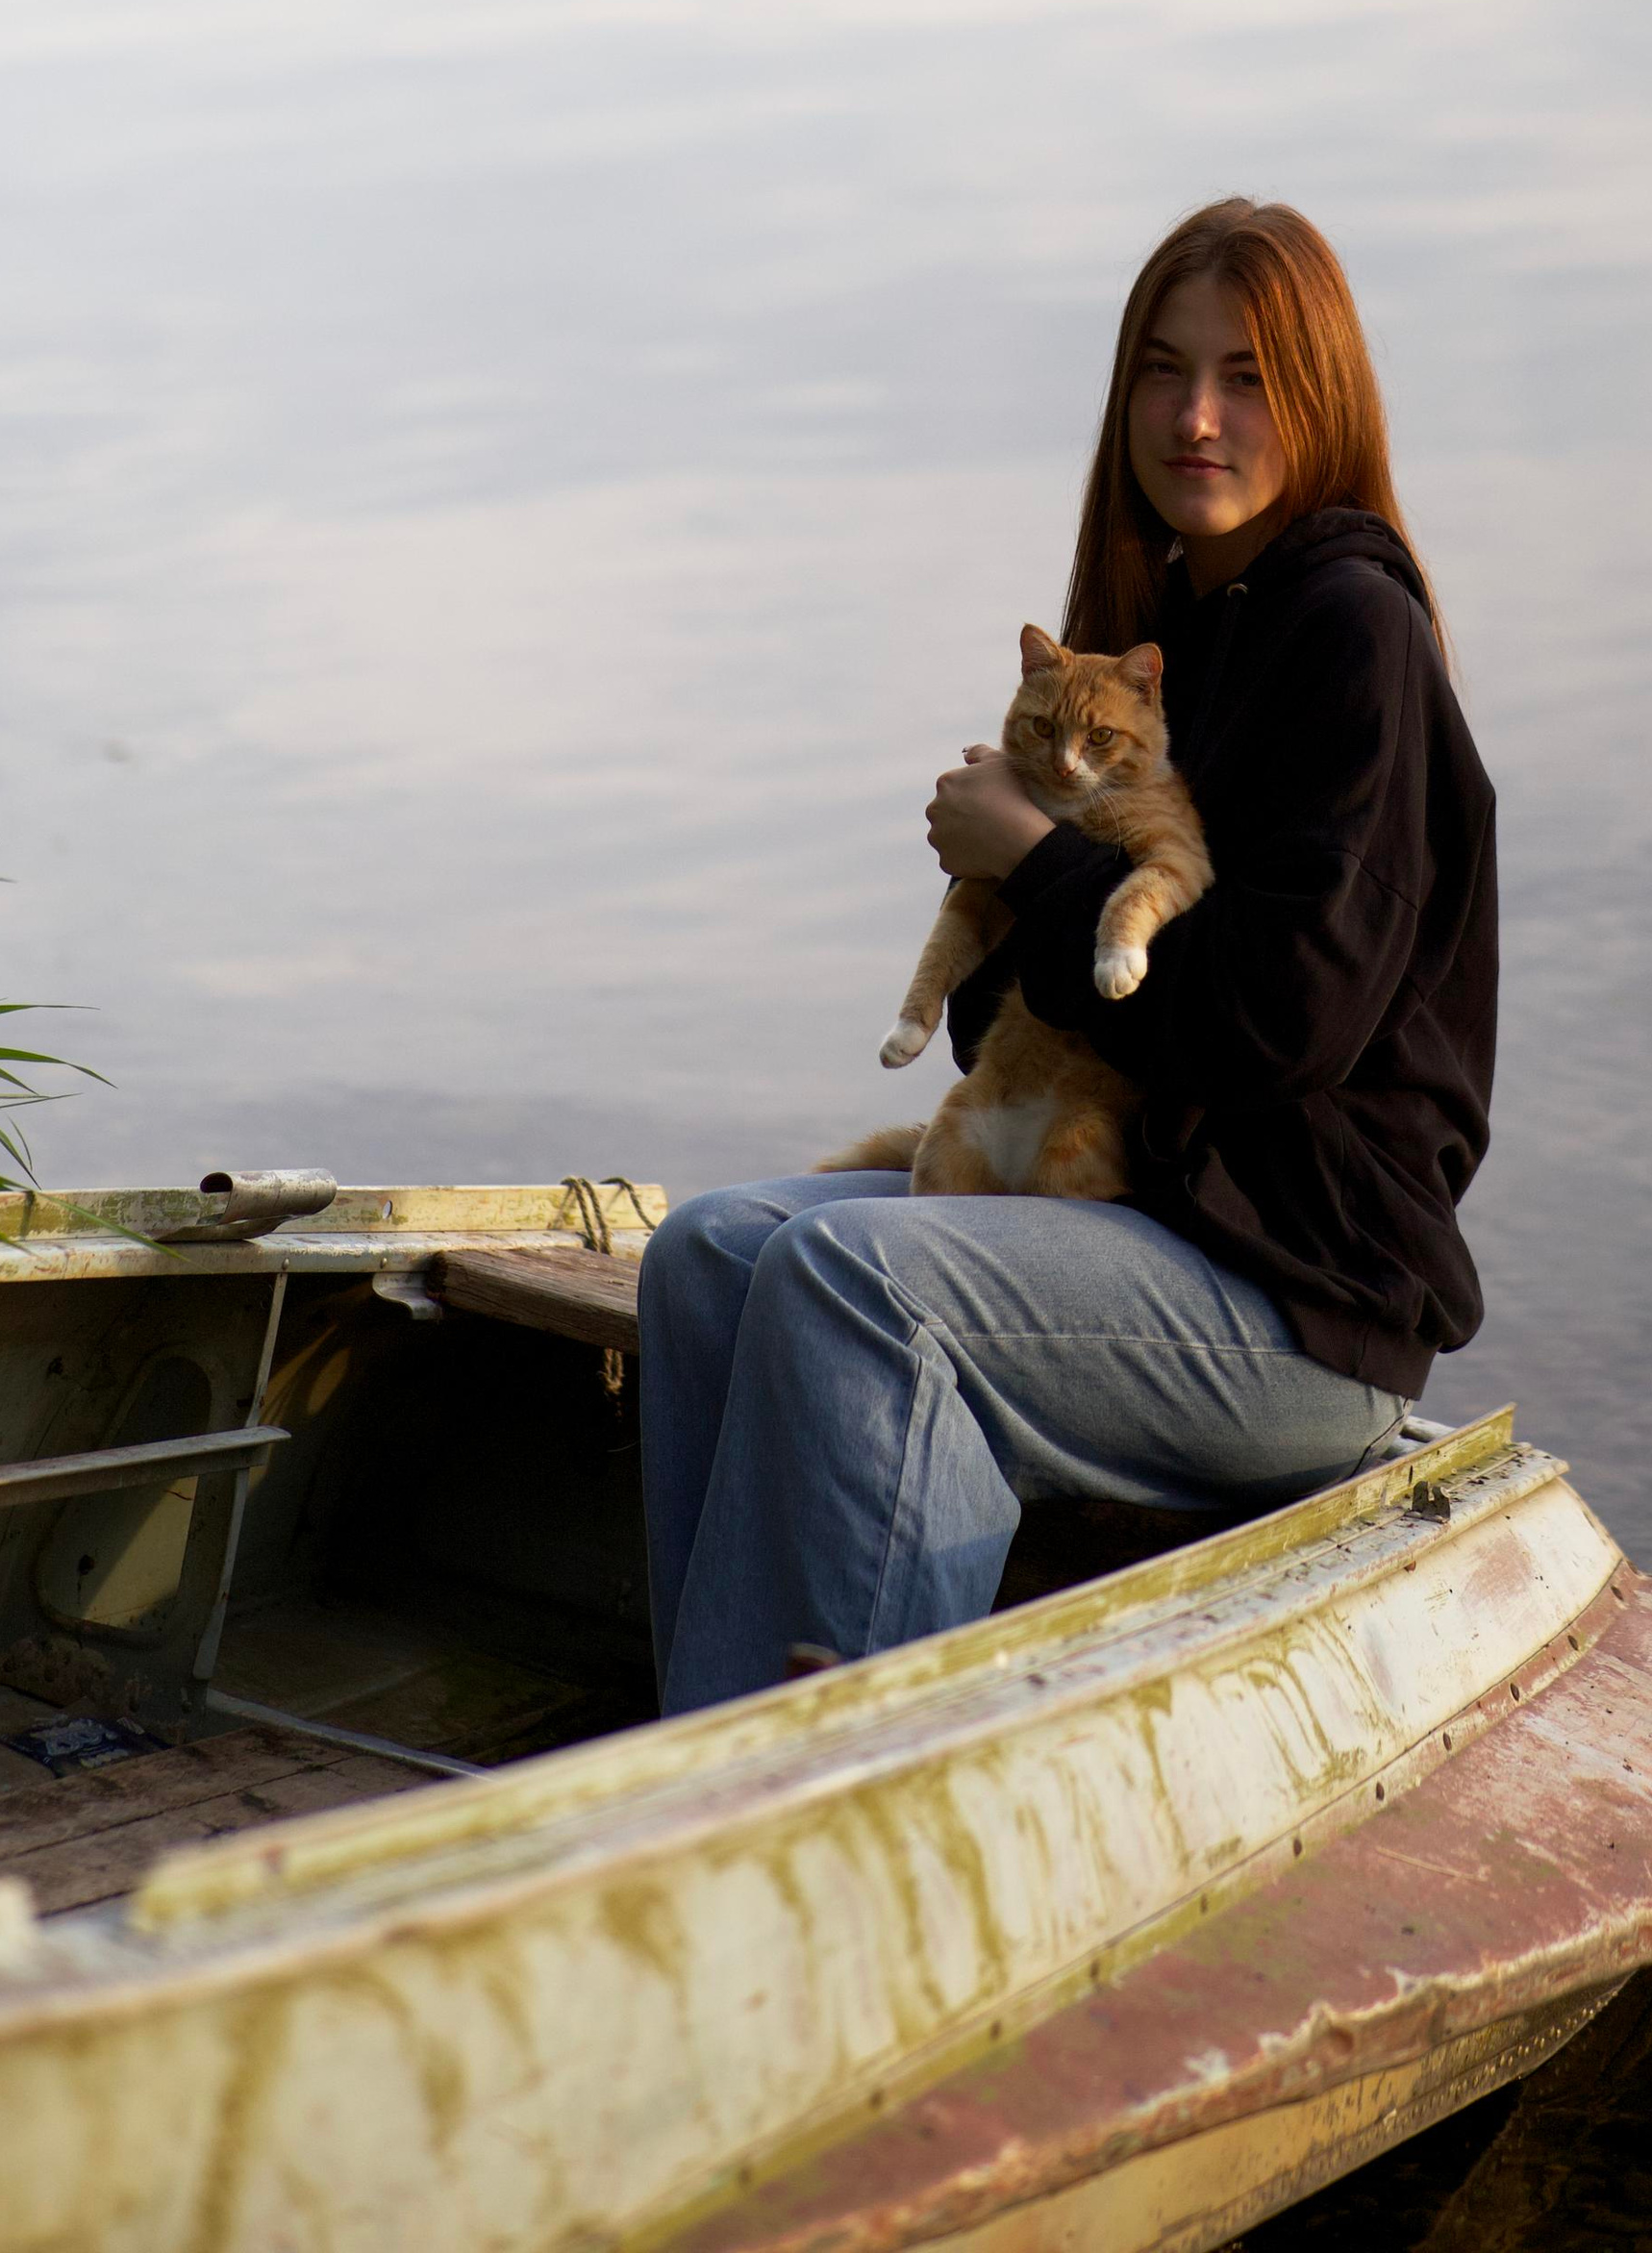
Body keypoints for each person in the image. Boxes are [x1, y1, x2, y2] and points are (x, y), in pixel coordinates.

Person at [638, 197, 1497, 1713]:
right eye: (1164, 373)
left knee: (856, 1280)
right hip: (1126, 1201)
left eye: (1244, 375)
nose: (1198, 415)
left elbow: (1278, 1030)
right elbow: (1019, 1038)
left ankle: (847, 1810)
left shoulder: (1353, 634)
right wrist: (1013, 888)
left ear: (1324, 397)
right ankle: (703, 1760)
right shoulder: (1162, 631)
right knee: (711, 1254)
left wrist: (1037, 863)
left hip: (1296, 1290)